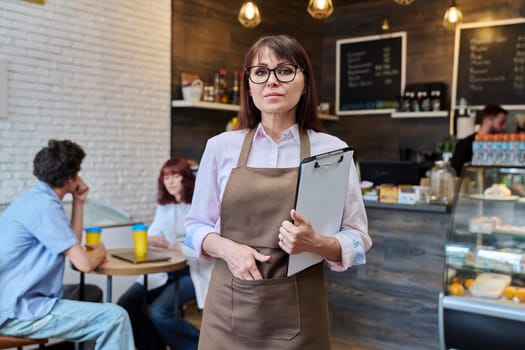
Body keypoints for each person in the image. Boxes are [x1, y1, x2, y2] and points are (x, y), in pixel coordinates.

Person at [184, 34, 372, 349]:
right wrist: (229, 250)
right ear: (249, 85)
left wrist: (317, 243)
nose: (272, 81)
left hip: (300, 312)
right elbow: (193, 230)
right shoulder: (220, 148)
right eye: (260, 72)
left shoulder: (332, 152)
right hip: (227, 309)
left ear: (305, 82)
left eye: (285, 71)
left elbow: (358, 238)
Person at [0, 139, 134, 350]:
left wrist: (79, 202)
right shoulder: (45, 207)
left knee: (89, 293)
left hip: (13, 299)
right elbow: (85, 264)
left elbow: (71, 242)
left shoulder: (36, 198)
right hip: (16, 311)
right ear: (70, 177)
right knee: (115, 317)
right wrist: (100, 250)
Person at [118, 157, 212, 350]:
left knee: (160, 312)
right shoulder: (165, 206)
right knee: (126, 305)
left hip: (193, 271)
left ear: (185, 178)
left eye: (175, 176)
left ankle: (200, 346)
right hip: (164, 270)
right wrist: (151, 238)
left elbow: (206, 246)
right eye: (165, 177)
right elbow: (155, 230)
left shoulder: (201, 205)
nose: (169, 181)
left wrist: (175, 247)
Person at [451, 104, 508, 175]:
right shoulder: (465, 144)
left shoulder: (501, 146)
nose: (504, 127)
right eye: (501, 123)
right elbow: (454, 172)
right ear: (488, 120)